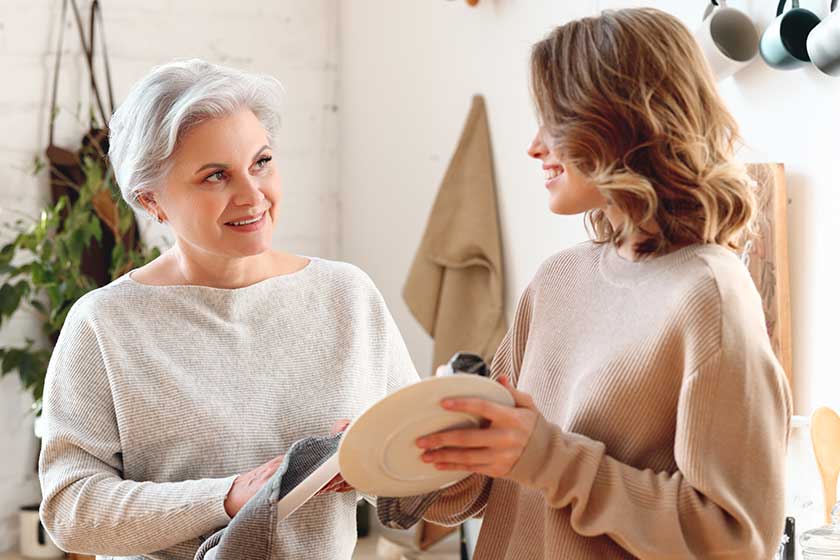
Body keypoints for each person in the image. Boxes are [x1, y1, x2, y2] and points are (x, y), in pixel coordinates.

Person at [414, 9, 792, 559]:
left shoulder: (709, 296)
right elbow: (486, 484)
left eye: (554, 122)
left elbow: (735, 541)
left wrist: (548, 457)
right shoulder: (557, 280)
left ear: (618, 121)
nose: (535, 146)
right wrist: (404, 446)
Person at [38, 59, 418, 560]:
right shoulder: (104, 323)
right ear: (151, 201)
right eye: (216, 176)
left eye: (261, 162)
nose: (252, 195)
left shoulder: (347, 295)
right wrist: (229, 497)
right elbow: (72, 511)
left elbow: (415, 485)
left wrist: (404, 454)